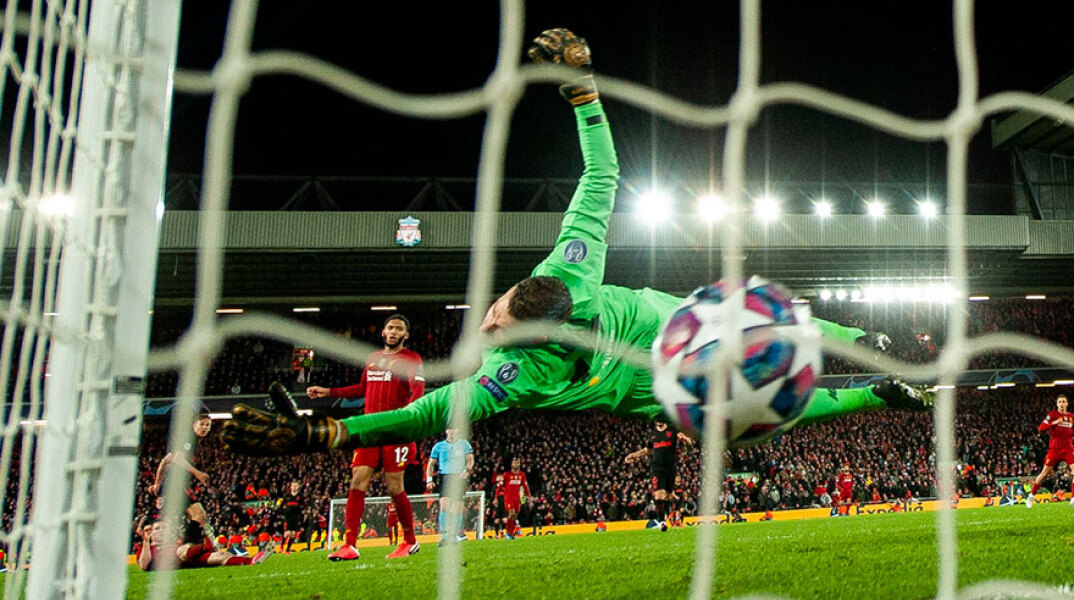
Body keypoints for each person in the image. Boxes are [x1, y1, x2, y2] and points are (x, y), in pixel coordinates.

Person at [221, 28, 931, 465]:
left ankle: (863, 356)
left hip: (661, 356)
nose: (489, 322)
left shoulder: (519, 364)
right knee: (747, 389)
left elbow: (422, 414)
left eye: (497, 322)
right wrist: (583, 93)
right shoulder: (565, 274)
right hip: (659, 356)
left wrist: (327, 436)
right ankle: (874, 382)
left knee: (749, 372)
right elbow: (602, 175)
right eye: (497, 311)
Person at [306, 314, 425, 561]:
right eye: (390, 328)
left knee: (395, 487)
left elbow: (417, 390)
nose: (394, 332)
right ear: (383, 332)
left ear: (406, 335)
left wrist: (408, 417)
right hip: (370, 429)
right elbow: (362, 389)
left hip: (395, 430)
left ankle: (410, 541)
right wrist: (328, 392)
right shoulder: (372, 359)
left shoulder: (411, 359)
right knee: (357, 481)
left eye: (399, 329)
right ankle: (350, 545)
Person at [148, 408, 221, 545]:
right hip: (174, 483)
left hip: (174, 483)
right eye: (202, 424)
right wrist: (197, 473)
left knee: (198, 516)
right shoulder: (189, 440)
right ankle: (188, 546)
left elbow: (165, 460)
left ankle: (190, 545)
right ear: (194, 424)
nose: (204, 427)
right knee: (198, 515)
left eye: (207, 425)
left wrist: (157, 483)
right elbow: (177, 459)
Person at [136, 507, 272, 571]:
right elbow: (143, 565)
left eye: (164, 528)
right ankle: (206, 545)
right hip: (174, 560)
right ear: (150, 533)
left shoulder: (174, 542)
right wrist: (146, 541)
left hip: (188, 560)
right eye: (158, 528)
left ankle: (251, 561)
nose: (162, 530)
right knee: (181, 549)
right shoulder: (146, 547)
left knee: (220, 555)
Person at [625, 420, 692, 528]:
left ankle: (670, 518)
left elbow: (690, 445)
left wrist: (684, 438)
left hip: (670, 468)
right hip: (656, 468)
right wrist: (633, 455)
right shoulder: (652, 435)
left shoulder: (673, 431)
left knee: (668, 496)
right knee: (659, 494)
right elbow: (648, 450)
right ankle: (662, 522)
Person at [426, 428, 474, 545]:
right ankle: (445, 536)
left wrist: (467, 471)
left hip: (459, 478)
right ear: (446, 431)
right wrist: (429, 480)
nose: (452, 431)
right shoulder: (439, 446)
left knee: (457, 507)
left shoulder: (464, 444)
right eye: (449, 429)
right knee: (444, 506)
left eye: (454, 429)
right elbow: (431, 464)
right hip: (445, 477)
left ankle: (455, 535)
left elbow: (470, 460)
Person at [1026, 393, 1074, 508]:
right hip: (1055, 449)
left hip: (1068, 448)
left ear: (1067, 404)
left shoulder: (1071, 417)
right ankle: (1031, 496)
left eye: (1064, 402)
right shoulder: (1052, 415)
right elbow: (1041, 428)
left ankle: (1073, 497)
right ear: (1057, 404)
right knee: (1044, 473)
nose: (1062, 404)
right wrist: (1054, 423)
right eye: (1060, 402)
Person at [500, 457, 531, 539]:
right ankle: (507, 533)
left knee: (515, 516)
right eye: (514, 463)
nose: (516, 464)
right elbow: (501, 486)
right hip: (509, 497)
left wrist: (528, 495)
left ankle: (512, 533)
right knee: (511, 513)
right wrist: (496, 497)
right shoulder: (507, 474)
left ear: (519, 464)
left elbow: (524, 486)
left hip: (517, 498)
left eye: (517, 463)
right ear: (511, 464)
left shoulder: (522, 475)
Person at [279, 480, 304, 554]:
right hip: (288, 516)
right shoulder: (287, 495)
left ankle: (287, 550)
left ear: (298, 487)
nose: (294, 487)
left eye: (296, 486)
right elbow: (282, 505)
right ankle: (281, 546)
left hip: (296, 516)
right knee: (287, 533)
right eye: (293, 485)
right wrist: (282, 511)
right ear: (290, 487)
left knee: (293, 534)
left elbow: (302, 505)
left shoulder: (300, 496)